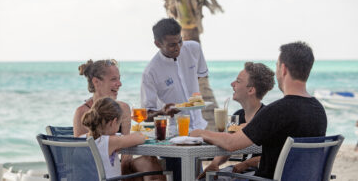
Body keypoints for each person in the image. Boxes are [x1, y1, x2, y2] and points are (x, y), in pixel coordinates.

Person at [191, 41, 327, 179]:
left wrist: (199, 133)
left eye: (277, 66)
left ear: (284, 69)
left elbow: (231, 143)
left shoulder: (277, 111)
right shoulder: (319, 111)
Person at [140, 18, 209, 180]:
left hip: (200, 130)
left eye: (180, 42)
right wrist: (162, 112)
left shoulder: (194, 49)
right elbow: (145, 115)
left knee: (197, 176)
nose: (178, 48)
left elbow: (200, 76)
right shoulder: (151, 72)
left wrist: (194, 100)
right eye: (172, 45)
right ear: (157, 43)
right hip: (174, 137)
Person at [197, 62, 275, 180]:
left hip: (259, 173)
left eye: (238, 81)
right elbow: (227, 146)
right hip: (241, 172)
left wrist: (247, 163)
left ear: (251, 90)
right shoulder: (237, 116)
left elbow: (275, 155)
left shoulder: (267, 118)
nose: (232, 84)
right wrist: (215, 164)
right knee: (205, 178)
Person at [81, 97, 165, 181]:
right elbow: (140, 137)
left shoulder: (81, 139)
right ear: (114, 122)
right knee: (151, 165)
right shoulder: (110, 141)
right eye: (119, 124)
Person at [73, 59, 132, 173]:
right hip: (94, 173)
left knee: (149, 162)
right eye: (114, 79)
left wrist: (123, 177)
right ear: (96, 82)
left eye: (119, 78)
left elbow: (126, 153)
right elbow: (81, 157)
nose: (119, 84)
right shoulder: (82, 112)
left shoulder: (123, 108)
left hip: (117, 171)